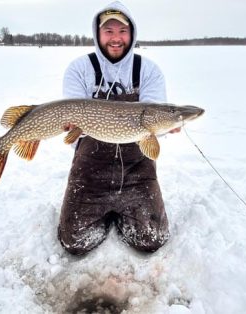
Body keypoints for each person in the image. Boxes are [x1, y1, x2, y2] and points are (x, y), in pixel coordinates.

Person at [57, 1, 179, 256]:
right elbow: (72, 127)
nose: (116, 38)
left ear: (132, 34)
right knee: (74, 242)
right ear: (98, 34)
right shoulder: (80, 69)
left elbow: (153, 119)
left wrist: (168, 125)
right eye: (108, 31)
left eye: (122, 31)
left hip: (138, 173)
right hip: (89, 172)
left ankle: (123, 210)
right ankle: (106, 211)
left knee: (151, 239)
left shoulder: (148, 71)